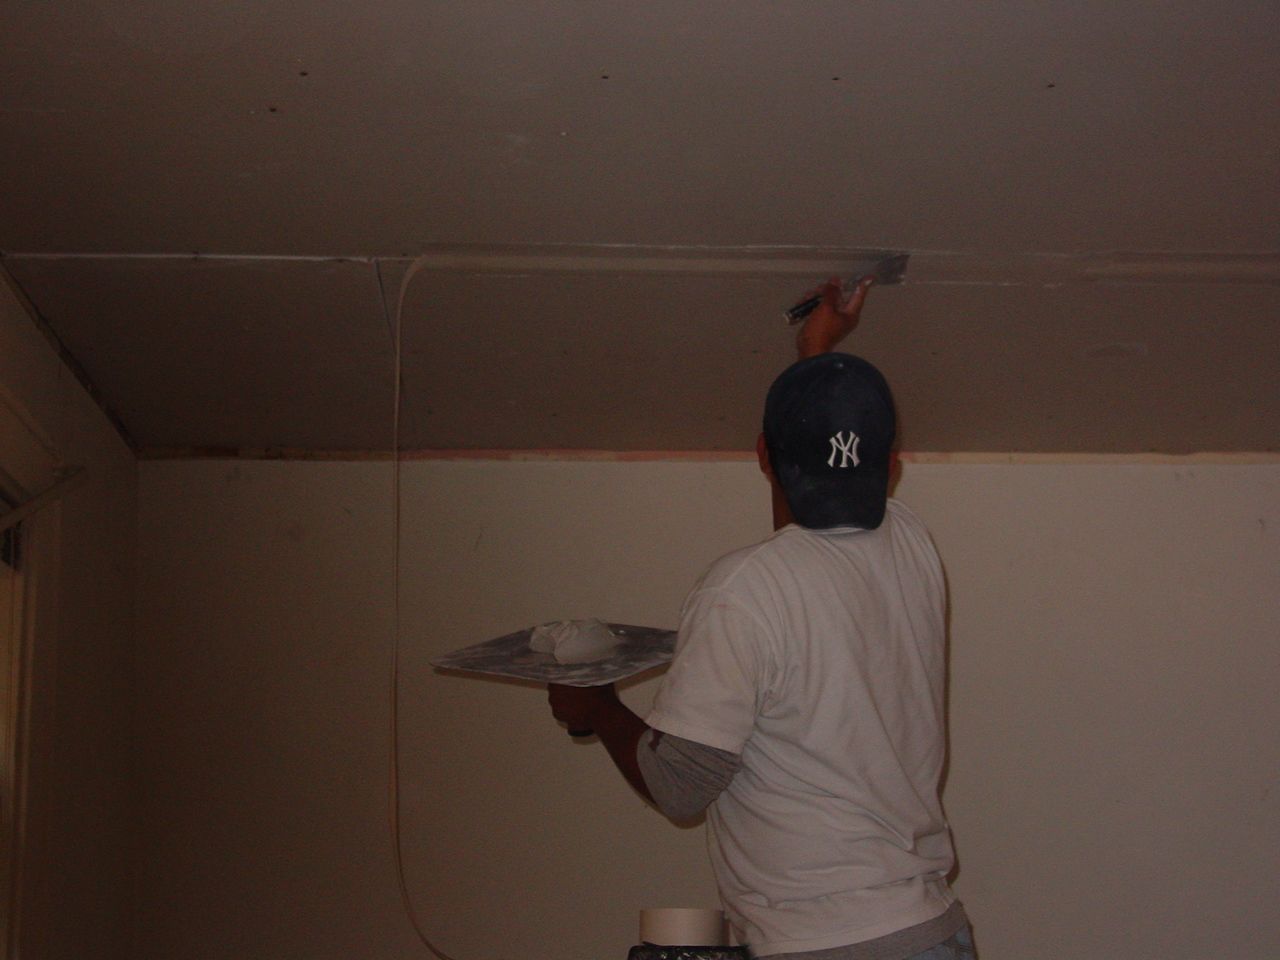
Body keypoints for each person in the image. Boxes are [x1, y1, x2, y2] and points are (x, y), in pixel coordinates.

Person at [548, 277, 974, 960]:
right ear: (892, 466)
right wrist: (816, 351)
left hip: (829, 943)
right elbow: (814, 507)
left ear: (760, 457)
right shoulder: (911, 541)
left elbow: (680, 787)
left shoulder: (744, 591)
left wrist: (597, 708)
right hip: (933, 930)